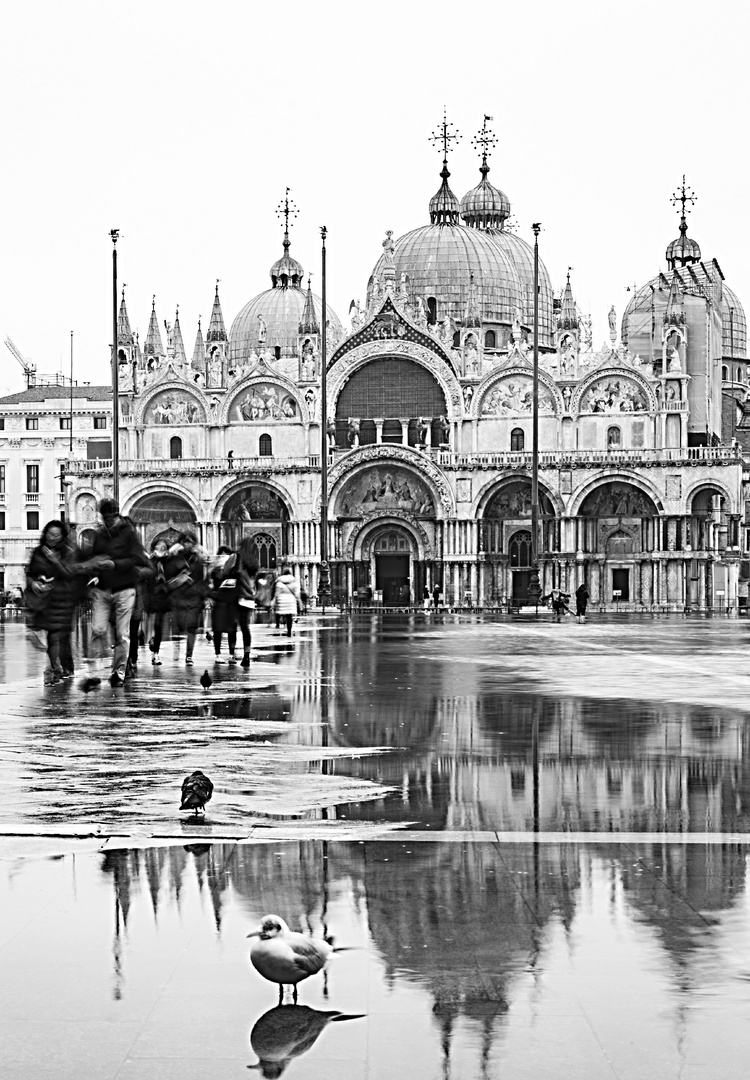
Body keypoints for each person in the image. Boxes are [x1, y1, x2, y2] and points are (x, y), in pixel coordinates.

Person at [89, 499, 150, 687]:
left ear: (116, 515)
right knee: (97, 629)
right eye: (104, 518)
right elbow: (94, 559)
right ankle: (94, 668)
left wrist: (115, 564)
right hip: (103, 589)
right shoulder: (100, 536)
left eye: (110, 517)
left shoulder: (129, 534)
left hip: (125, 589)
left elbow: (139, 559)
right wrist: (95, 574)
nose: (107, 521)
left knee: (123, 633)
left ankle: (119, 672)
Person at [26, 520, 86, 683]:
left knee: (59, 635)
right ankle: (57, 667)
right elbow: (31, 573)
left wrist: (54, 560)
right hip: (45, 601)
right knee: (53, 636)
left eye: (56, 535)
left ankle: (62, 668)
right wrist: (34, 583)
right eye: (49, 534)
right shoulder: (39, 552)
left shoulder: (68, 552)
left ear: (62, 537)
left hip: (64, 599)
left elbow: (69, 574)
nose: (52, 538)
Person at [164, 532, 206, 666]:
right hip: (178, 596)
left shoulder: (198, 559)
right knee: (179, 626)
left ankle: (189, 655)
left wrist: (204, 596)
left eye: (190, 542)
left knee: (192, 627)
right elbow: (167, 577)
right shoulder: (175, 559)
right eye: (185, 542)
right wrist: (179, 580)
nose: (188, 544)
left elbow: (203, 578)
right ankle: (177, 651)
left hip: (194, 597)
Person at [207, 545, 240, 664]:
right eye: (222, 555)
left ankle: (231, 654)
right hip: (219, 603)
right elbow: (208, 587)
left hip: (231, 603)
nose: (224, 558)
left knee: (232, 630)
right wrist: (212, 597)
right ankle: (218, 655)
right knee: (218, 630)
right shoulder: (214, 572)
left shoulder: (235, 572)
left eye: (226, 555)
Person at [144, 538, 171, 665]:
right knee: (148, 623)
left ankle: (156, 653)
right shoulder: (150, 561)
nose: (161, 548)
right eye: (159, 546)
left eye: (163, 546)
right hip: (151, 595)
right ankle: (150, 640)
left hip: (162, 596)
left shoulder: (169, 561)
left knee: (158, 625)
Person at [272, 563, 301, 637]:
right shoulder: (294, 581)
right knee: (289, 616)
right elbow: (297, 593)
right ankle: (289, 630)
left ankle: (279, 623)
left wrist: (273, 601)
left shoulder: (279, 581)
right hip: (291, 601)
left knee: (281, 613)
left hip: (281, 601)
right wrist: (299, 602)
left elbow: (276, 593)